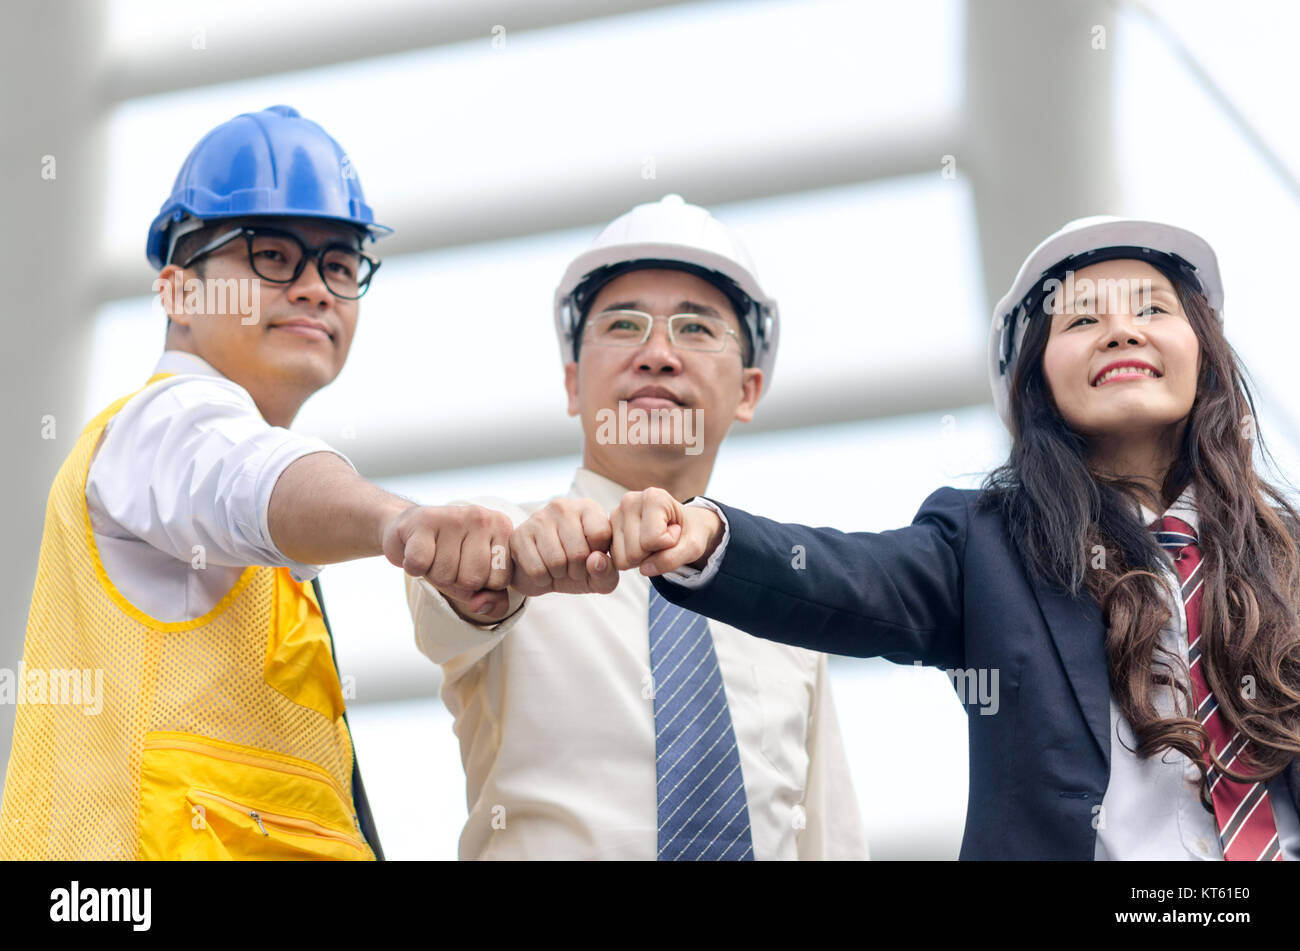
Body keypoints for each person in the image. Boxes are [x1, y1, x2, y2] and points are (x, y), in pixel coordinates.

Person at [620, 216, 1300, 860]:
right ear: (1037, 379)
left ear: (1205, 354)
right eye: (1083, 317)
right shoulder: (988, 545)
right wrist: (707, 535)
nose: (1121, 331)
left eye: (1152, 309)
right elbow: (853, 577)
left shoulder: (1288, 553)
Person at [0, 105, 512, 860]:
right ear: (176, 292)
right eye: (271, 255)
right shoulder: (157, 427)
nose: (315, 288)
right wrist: (395, 522)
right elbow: (248, 479)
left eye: (339, 265)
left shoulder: (270, 541)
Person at [404, 194, 867, 860]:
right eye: (623, 326)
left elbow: (832, 840)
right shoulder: (508, 541)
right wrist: (501, 569)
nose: (657, 354)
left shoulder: (782, 606)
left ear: (748, 390)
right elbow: (446, 594)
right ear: (571, 383)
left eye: (697, 328)